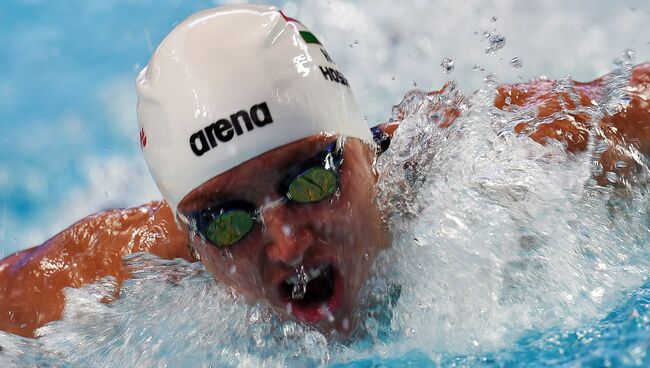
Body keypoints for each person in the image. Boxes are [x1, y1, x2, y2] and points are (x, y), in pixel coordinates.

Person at [0, 4, 648, 339]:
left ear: (363, 151)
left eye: (310, 179)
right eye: (225, 221)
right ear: (190, 235)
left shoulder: (494, 157)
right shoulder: (126, 274)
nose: (287, 242)